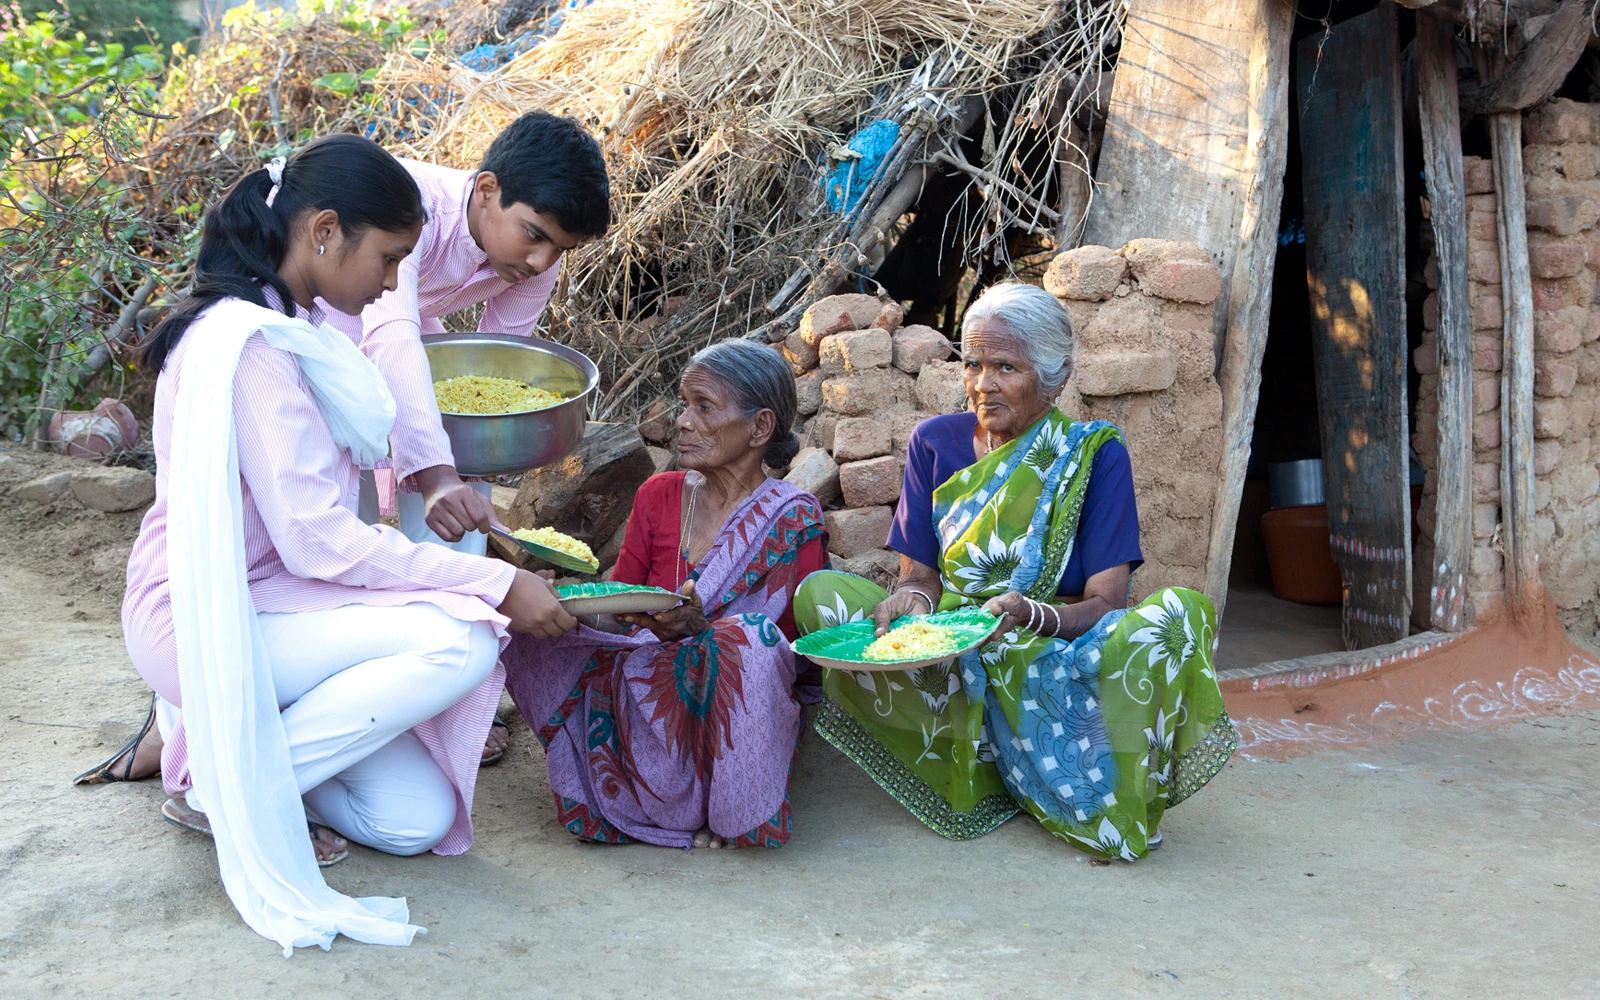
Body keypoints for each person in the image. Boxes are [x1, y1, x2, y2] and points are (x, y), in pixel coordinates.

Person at [115, 135, 576, 952]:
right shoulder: (253, 348)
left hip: (286, 608)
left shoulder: (294, 328)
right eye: (390, 259)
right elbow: (319, 543)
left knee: (412, 820)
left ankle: (227, 749)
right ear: (324, 232)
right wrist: (496, 584)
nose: (397, 285)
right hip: (208, 614)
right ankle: (220, 783)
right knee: (463, 641)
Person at [794, 282, 1235, 861]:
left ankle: (1032, 765)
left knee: (1178, 614)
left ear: (1056, 377)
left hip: (1048, 649)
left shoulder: (1093, 453)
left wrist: (1031, 615)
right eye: (973, 364)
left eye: (1005, 367)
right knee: (822, 597)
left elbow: (1108, 603)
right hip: (951, 647)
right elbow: (920, 579)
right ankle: (978, 763)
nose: (982, 383)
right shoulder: (935, 443)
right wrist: (913, 604)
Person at [501, 339, 828, 849]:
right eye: (684, 404)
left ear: (760, 427)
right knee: (524, 624)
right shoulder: (658, 494)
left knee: (747, 641)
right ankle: (640, 794)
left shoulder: (793, 518)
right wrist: (566, 602)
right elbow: (623, 602)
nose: (682, 420)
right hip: (645, 681)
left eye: (704, 407)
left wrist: (703, 630)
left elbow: (791, 656)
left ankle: (732, 801)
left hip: (735, 708)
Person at [323, 110, 612, 556]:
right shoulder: (411, 208)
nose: (542, 260)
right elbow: (391, 334)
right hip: (322, 317)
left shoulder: (534, 264)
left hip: (400, 323)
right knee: (348, 492)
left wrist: (487, 451)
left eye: (560, 249)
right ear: (486, 190)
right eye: (533, 235)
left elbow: (497, 374)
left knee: (462, 471)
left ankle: (458, 583)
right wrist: (436, 474)